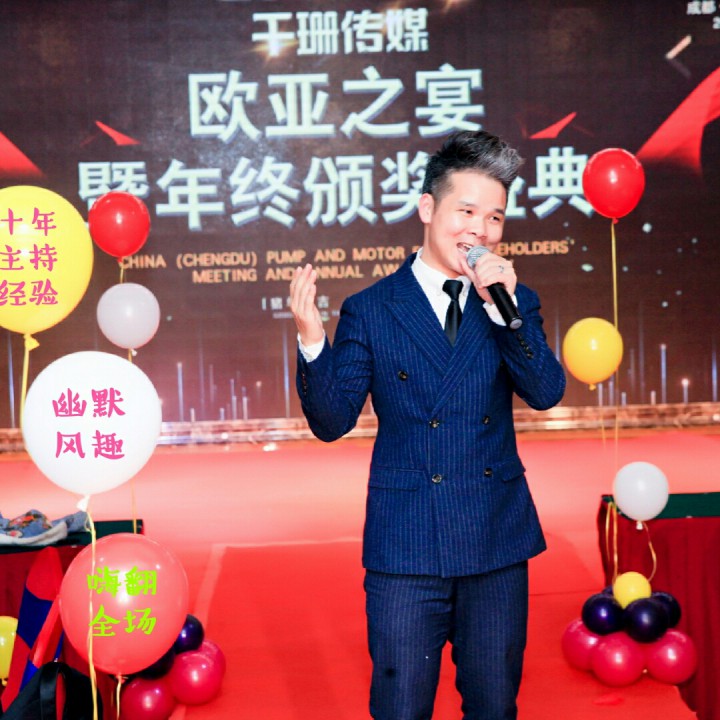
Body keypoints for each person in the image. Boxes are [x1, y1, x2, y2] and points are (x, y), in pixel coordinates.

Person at [289, 130, 566, 720]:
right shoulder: (372, 309)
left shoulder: (513, 301)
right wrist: (313, 341)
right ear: (427, 209)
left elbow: (546, 392)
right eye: (466, 211)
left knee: (494, 706)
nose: (480, 231)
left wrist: (504, 313)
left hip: (494, 539)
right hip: (406, 544)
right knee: (400, 707)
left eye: (494, 217)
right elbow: (332, 421)